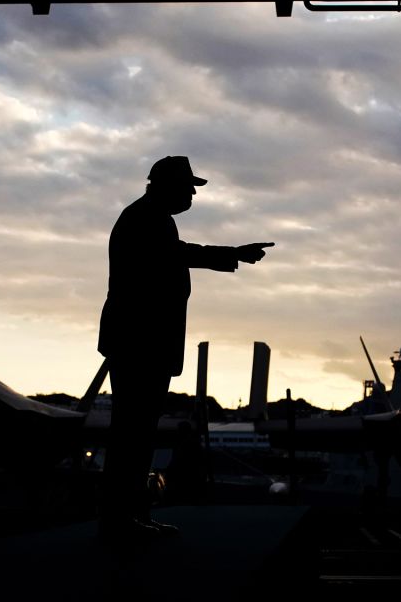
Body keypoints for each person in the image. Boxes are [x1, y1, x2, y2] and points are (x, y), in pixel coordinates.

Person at [97, 156, 272, 539]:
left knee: (136, 434)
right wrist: (234, 252)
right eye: (188, 186)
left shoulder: (150, 217)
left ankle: (129, 516)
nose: (193, 194)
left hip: (141, 343)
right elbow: (179, 254)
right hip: (140, 344)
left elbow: (176, 254)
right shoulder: (147, 218)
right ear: (166, 186)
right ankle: (123, 520)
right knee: (133, 434)